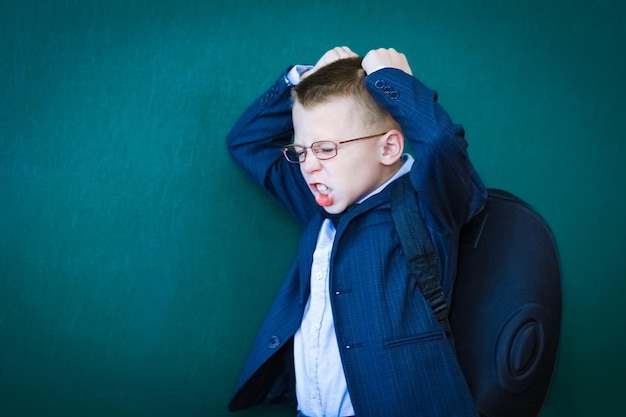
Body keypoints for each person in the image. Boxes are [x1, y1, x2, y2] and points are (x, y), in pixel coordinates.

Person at [226, 46, 487, 417]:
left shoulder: (427, 205)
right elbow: (245, 142)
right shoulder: (320, 202)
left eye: (326, 148)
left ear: (389, 147)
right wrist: (304, 79)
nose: (309, 167)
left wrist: (393, 81)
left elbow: (442, 145)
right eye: (301, 152)